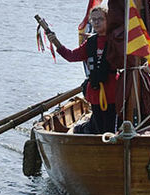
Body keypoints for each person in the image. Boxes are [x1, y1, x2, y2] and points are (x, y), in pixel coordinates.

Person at [40, 7, 119, 135]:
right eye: (93, 20)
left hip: (112, 92)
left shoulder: (116, 41)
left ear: (108, 20)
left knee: (110, 128)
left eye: (100, 19)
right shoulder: (91, 42)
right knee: (99, 129)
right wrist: (55, 42)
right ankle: (89, 136)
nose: (97, 22)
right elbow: (71, 56)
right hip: (95, 92)